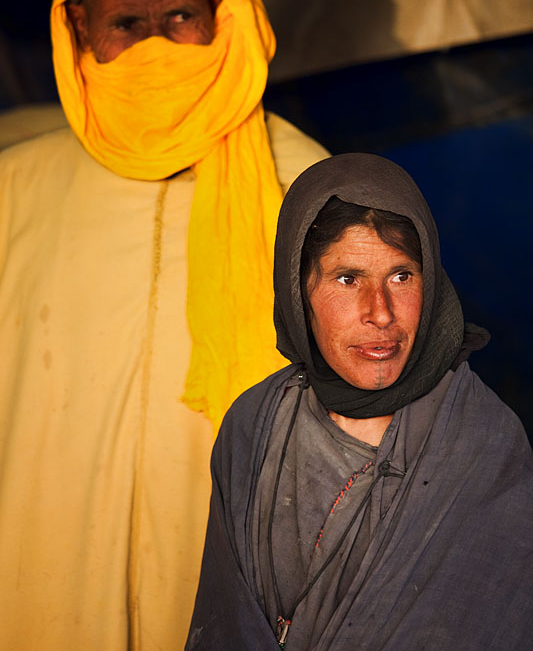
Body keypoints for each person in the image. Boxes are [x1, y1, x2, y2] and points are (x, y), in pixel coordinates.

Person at [0, 0, 328, 651]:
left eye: (178, 14)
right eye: (125, 21)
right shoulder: (15, 188)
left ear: (224, 14)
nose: (153, 44)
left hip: (239, 578)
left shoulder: (305, 179)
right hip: (39, 572)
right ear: (78, 29)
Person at [187, 152, 533, 650]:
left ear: (430, 283)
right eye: (348, 279)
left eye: (401, 276)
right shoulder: (253, 427)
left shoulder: (483, 444)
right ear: (298, 291)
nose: (381, 312)